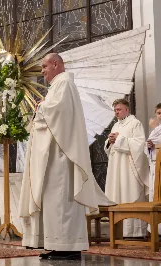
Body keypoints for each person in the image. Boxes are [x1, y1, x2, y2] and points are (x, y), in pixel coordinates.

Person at [18, 53, 114, 260]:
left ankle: (68, 247)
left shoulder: (64, 84)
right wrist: (43, 106)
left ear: (56, 64)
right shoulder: (58, 86)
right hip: (54, 155)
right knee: (54, 201)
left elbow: (58, 112)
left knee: (62, 200)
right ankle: (55, 244)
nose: (42, 71)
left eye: (44, 66)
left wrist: (41, 106)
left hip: (62, 156)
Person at [105, 99, 149, 238]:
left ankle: (135, 232)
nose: (116, 112)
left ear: (127, 110)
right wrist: (110, 141)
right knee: (118, 195)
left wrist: (119, 139)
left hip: (129, 168)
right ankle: (120, 232)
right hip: (116, 166)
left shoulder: (135, 123)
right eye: (115, 110)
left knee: (130, 194)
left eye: (119, 109)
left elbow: (140, 144)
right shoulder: (115, 126)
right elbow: (110, 147)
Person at [145, 103, 161, 233]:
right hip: (155, 165)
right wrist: (149, 146)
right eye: (159, 113)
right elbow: (149, 148)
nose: (160, 116)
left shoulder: (156, 128)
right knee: (155, 196)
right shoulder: (155, 129)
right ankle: (157, 231)